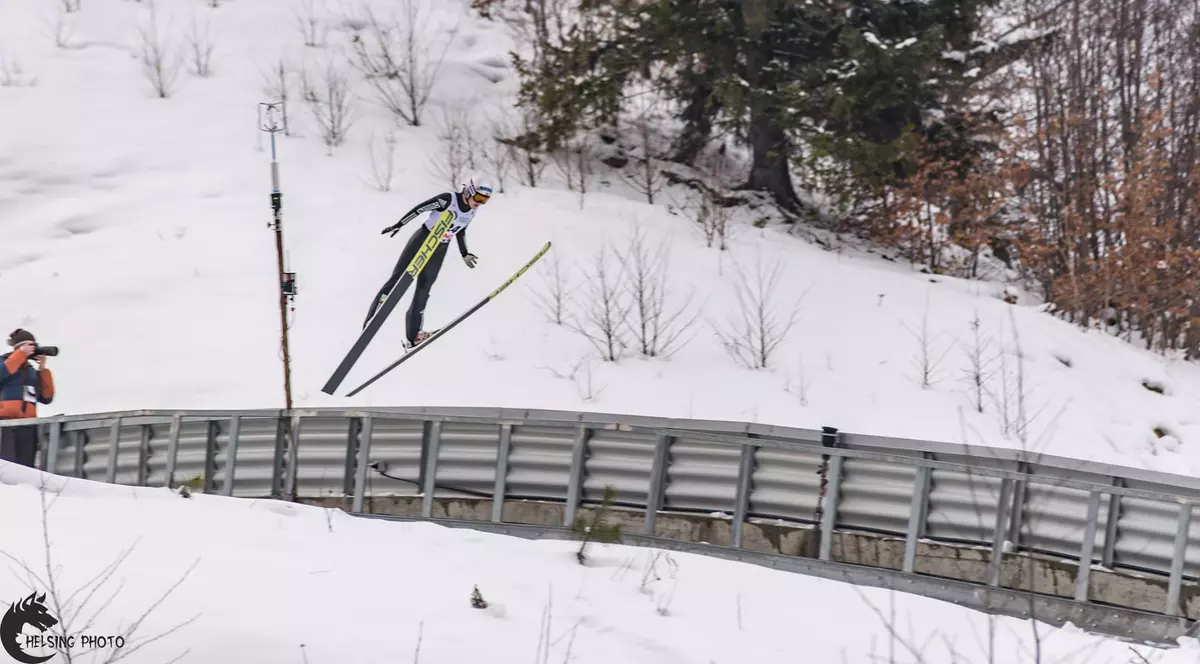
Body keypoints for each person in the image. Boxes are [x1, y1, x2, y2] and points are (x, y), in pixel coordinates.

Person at [364, 176, 493, 347]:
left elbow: (461, 231)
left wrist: (464, 253)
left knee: (424, 290)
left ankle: (414, 335)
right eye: (478, 197)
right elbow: (420, 209)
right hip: (423, 240)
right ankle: (372, 319)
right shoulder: (448, 200)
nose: (480, 203)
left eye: (485, 200)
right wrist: (399, 224)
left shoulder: (471, 211)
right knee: (397, 280)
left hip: (440, 248)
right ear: (469, 190)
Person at [0, 328, 55, 468]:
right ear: (18, 347)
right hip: (5, 424)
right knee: (7, 466)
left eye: (34, 344)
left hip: (27, 424)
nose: (33, 348)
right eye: (29, 344)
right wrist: (19, 355)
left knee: (26, 466)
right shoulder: (4, 362)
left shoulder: (30, 371)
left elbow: (46, 397)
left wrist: (42, 370)